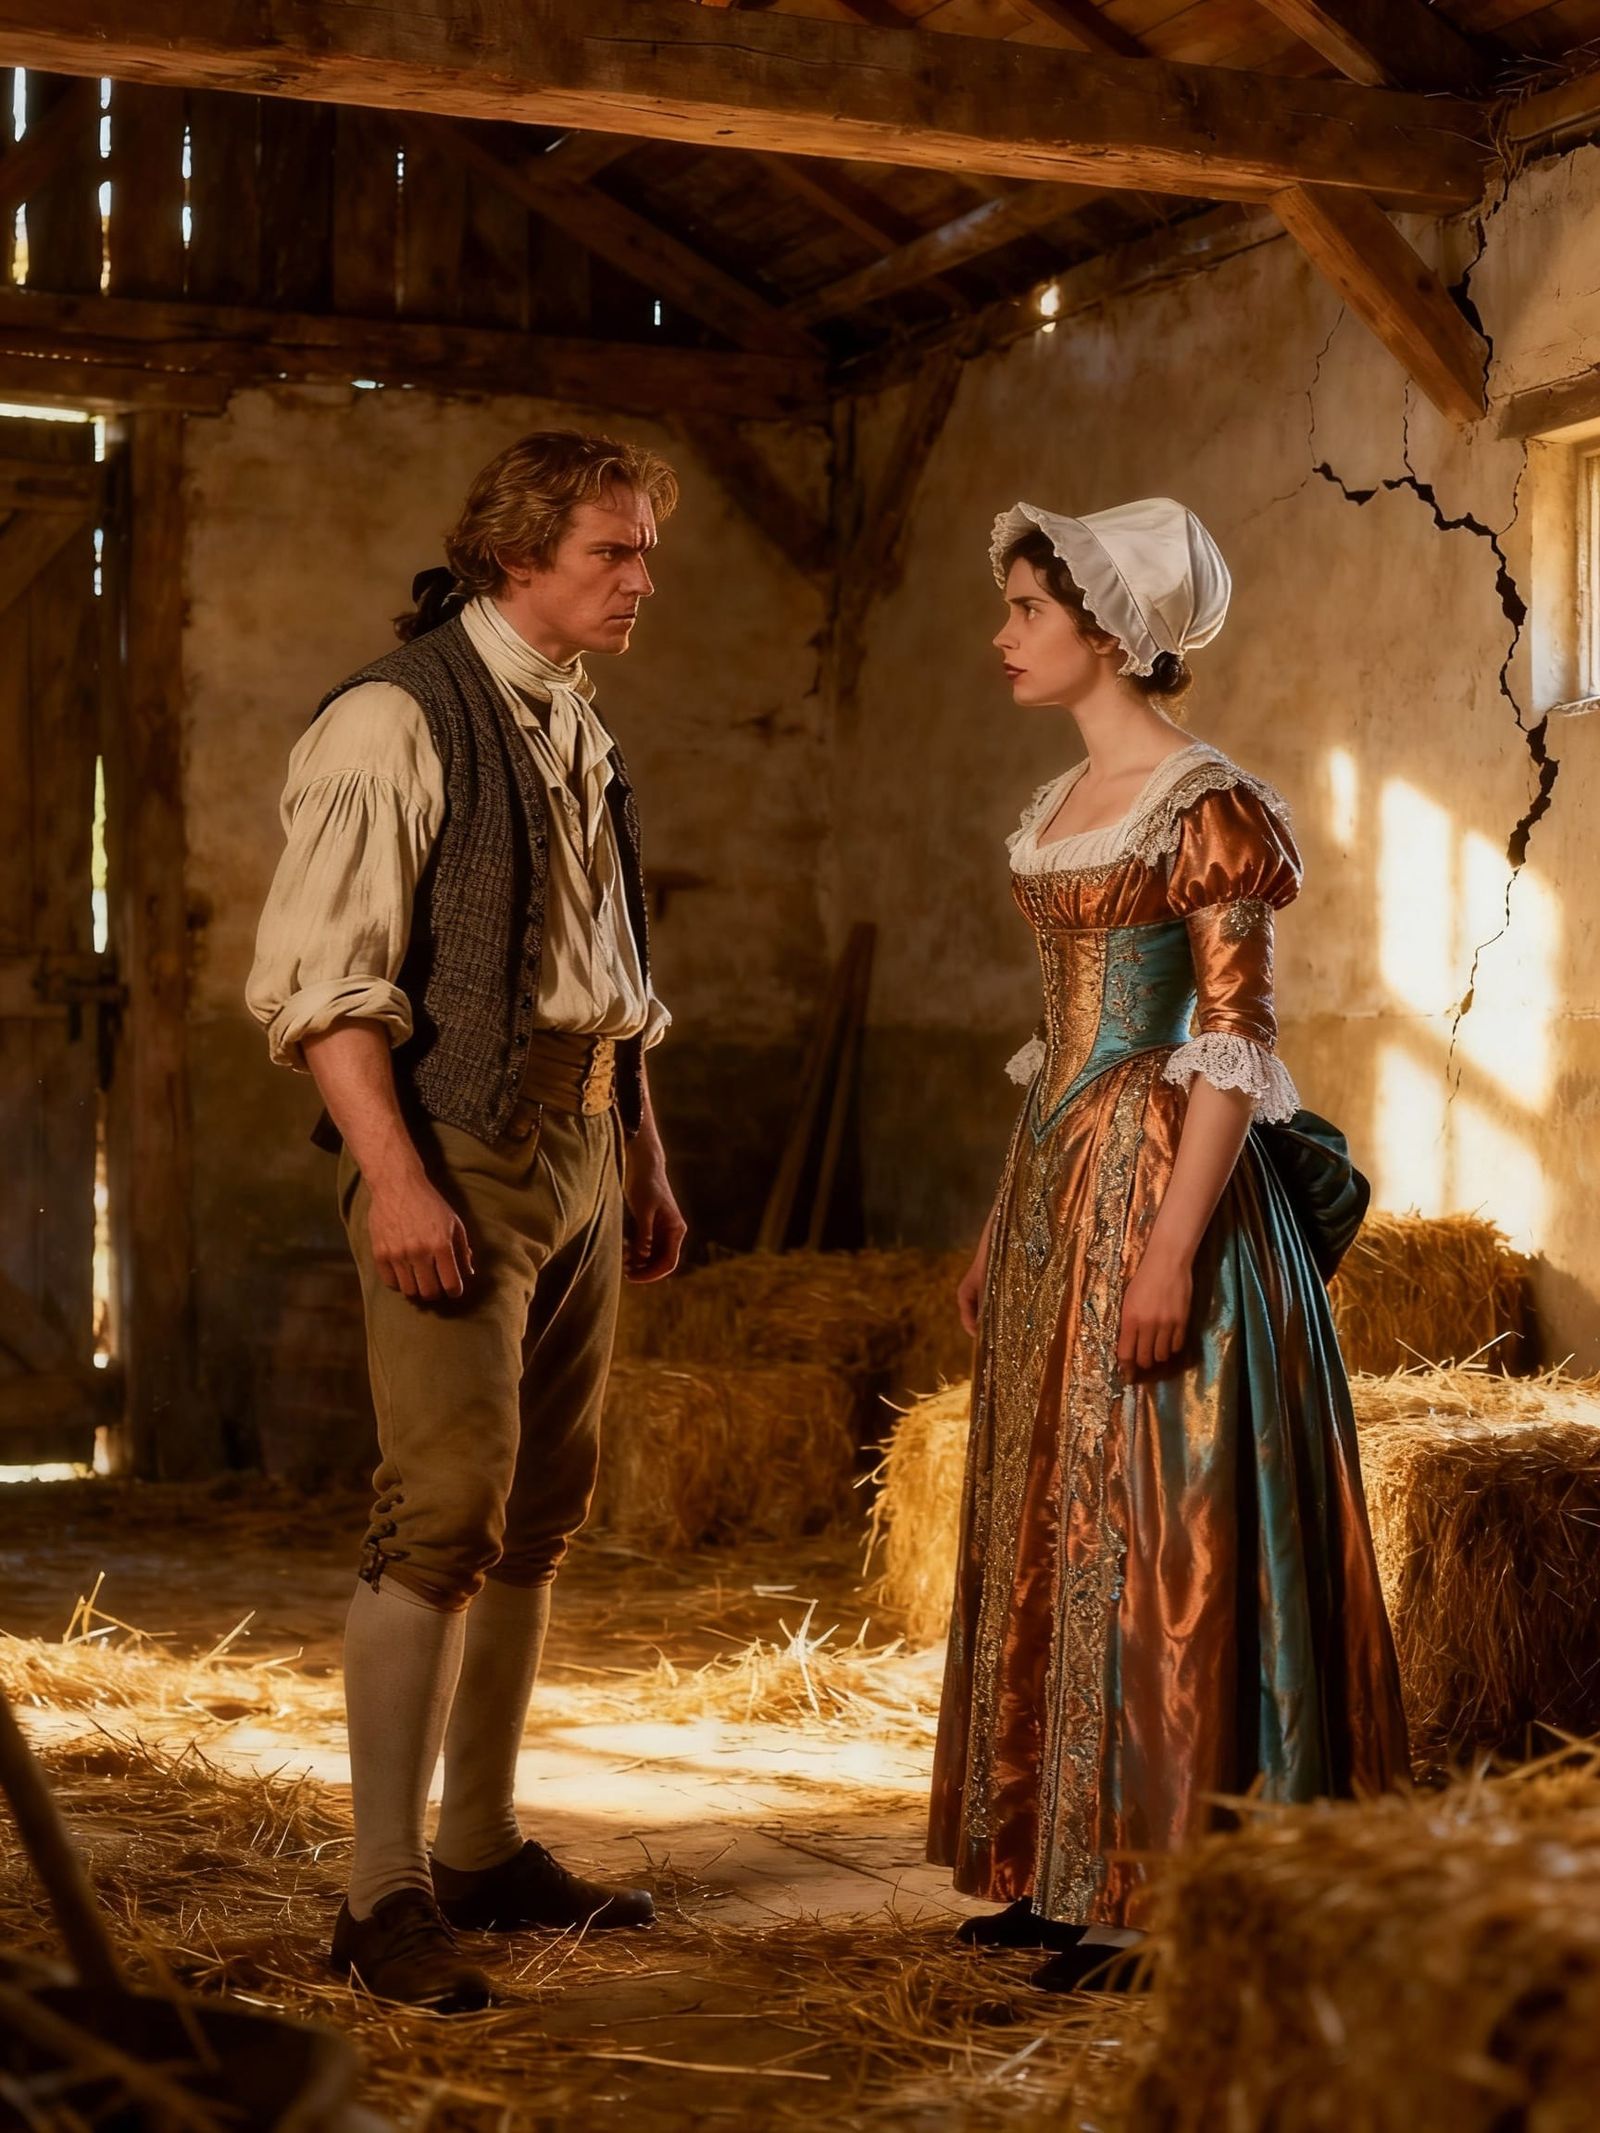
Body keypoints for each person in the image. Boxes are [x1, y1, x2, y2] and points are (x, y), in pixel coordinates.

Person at [929, 497, 1409, 1991]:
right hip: (1062, 1181)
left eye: (1026, 609)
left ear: (1107, 626)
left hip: (1167, 1185)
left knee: (1161, 1518)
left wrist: (1170, 1248)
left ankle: (1160, 1884)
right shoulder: (1065, 801)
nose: (1004, 635)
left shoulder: (1208, 803)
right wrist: (1008, 1212)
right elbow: (1056, 1035)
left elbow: (1228, 1034)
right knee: (1052, 1505)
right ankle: (1050, 1860)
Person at [248, 431, 688, 2011]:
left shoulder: (577, 720)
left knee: (539, 1507)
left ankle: (486, 1842)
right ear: (518, 557)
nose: (641, 579)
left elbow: (612, 977)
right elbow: (323, 986)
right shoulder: (396, 717)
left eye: (642, 550)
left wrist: (639, 1149)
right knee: (438, 1509)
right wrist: (396, 1173)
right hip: (457, 1143)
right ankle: (381, 1894)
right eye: (612, 553)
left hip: (579, 1135)